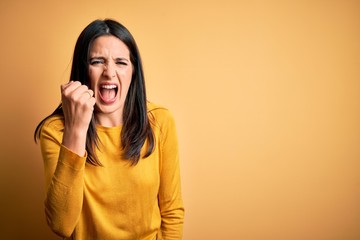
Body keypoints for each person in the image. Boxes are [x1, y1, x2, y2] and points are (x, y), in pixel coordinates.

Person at [34, 19, 184, 240]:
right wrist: (76, 130)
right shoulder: (55, 131)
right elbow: (61, 225)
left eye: (121, 62)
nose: (109, 73)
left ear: (133, 72)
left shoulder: (160, 121)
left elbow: (172, 213)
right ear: (83, 70)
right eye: (97, 61)